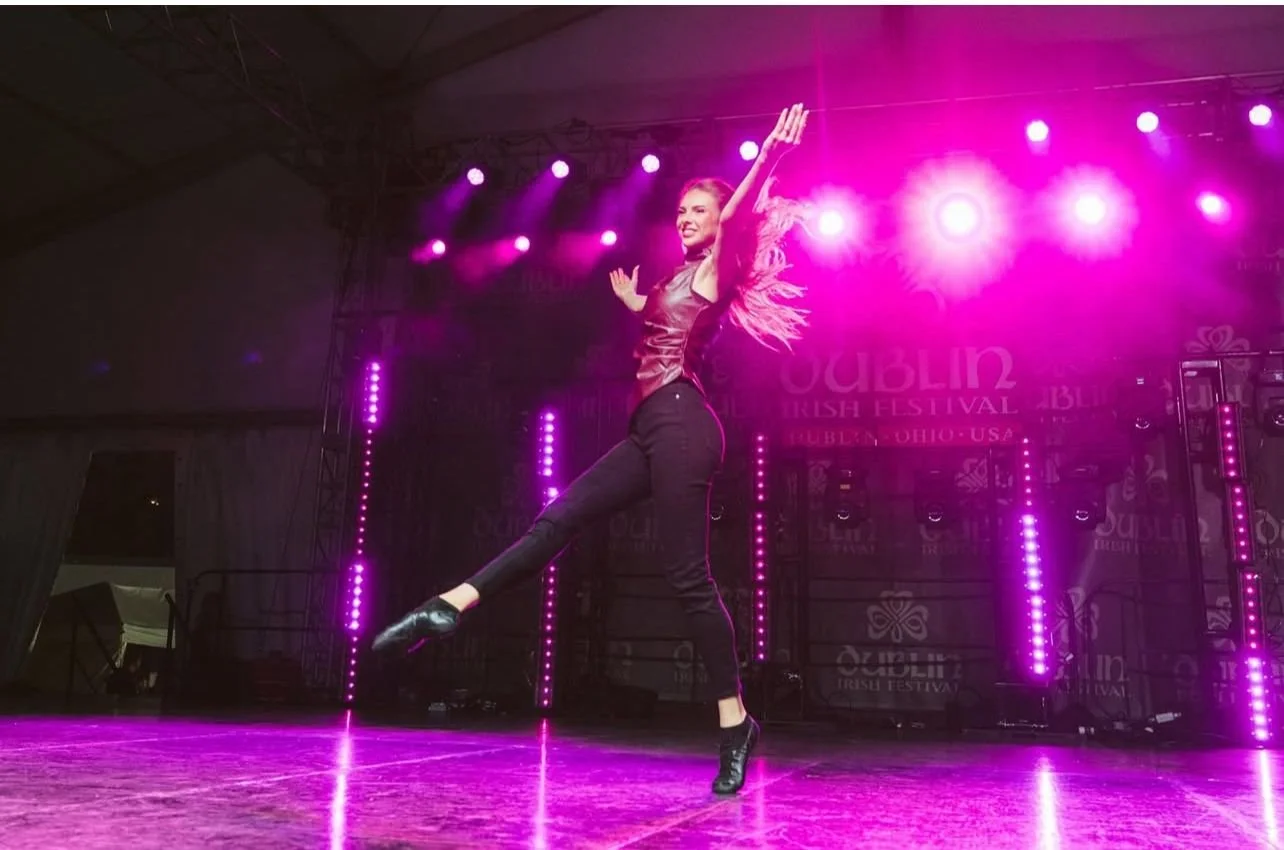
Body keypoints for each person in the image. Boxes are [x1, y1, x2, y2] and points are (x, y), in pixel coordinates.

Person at [373, 103, 811, 795]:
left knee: (687, 577)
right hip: (650, 429)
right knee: (557, 521)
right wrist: (640, 305)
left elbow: (734, 225)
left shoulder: (716, 268)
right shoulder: (680, 278)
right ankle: (449, 606)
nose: (687, 218)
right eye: (683, 211)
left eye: (699, 209)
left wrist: (769, 161)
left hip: (683, 427)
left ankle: (735, 724)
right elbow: (671, 334)